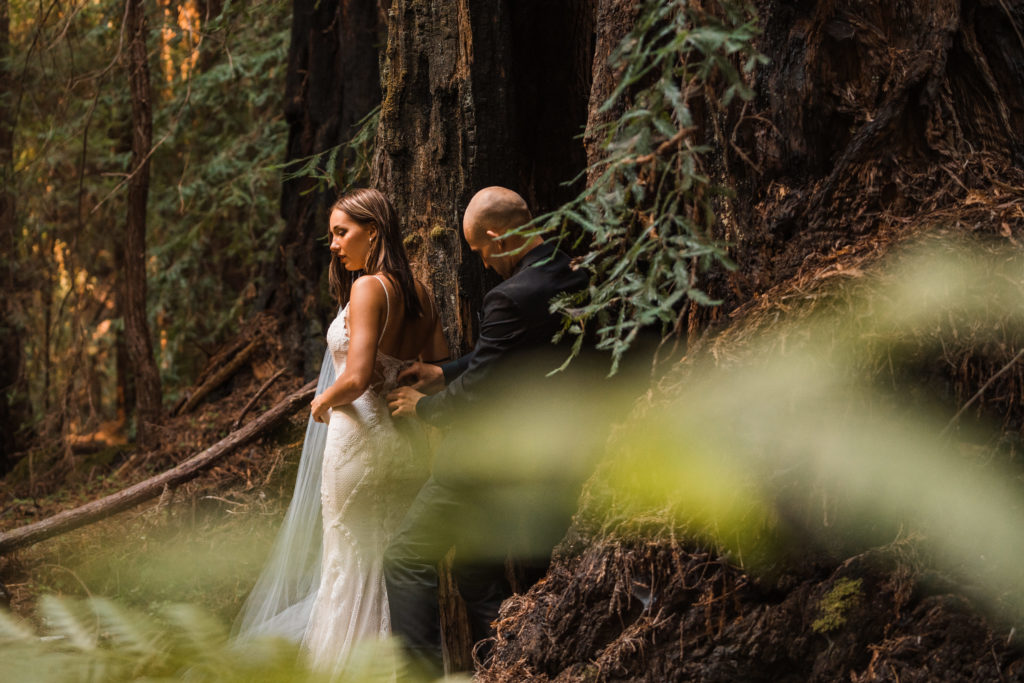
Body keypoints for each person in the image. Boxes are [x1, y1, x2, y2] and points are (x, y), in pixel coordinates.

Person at [234, 188, 447, 678]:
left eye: (341, 232)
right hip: (403, 446)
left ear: (373, 230)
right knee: (387, 567)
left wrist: (321, 401)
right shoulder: (422, 294)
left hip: (359, 445)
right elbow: (434, 367)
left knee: (349, 568)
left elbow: (354, 376)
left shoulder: (368, 287)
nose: (333, 244)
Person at [385, 186, 589, 677]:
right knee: (476, 571)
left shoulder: (509, 297)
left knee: (405, 558)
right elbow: (506, 358)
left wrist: (424, 406)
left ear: (497, 239)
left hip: (479, 463)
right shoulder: (574, 272)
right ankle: (512, 666)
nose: (482, 264)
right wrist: (444, 372)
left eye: (479, 252)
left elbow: (478, 392)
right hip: (546, 455)